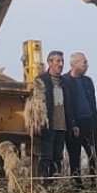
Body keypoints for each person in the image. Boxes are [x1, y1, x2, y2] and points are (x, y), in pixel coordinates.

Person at [64, 51, 97, 189]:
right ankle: (76, 184)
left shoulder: (88, 81)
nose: (87, 64)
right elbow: (67, 105)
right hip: (74, 124)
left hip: (90, 122)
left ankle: (95, 182)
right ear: (75, 64)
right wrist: (72, 123)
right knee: (74, 155)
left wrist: (96, 122)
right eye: (84, 62)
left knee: (94, 154)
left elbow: (93, 102)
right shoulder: (65, 81)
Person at [33, 51, 69, 180]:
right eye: (57, 61)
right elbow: (36, 104)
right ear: (50, 63)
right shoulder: (41, 80)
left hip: (62, 125)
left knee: (58, 157)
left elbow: (68, 105)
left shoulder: (64, 82)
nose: (61, 64)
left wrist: (73, 124)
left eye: (62, 61)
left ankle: (55, 184)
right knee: (46, 156)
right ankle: (43, 184)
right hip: (48, 125)